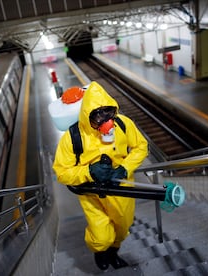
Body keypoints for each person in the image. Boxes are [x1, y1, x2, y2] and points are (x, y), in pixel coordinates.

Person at [52, 81, 148, 270]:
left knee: (122, 227)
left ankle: (113, 253)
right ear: (87, 115)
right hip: (93, 195)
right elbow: (61, 171)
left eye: (109, 113)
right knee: (101, 235)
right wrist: (88, 171)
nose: (106, 121)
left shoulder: (123, 124)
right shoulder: (73, 138)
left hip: (122, 189)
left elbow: (141, 146)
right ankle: (100, 251)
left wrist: (125, 168)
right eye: (98, 116)